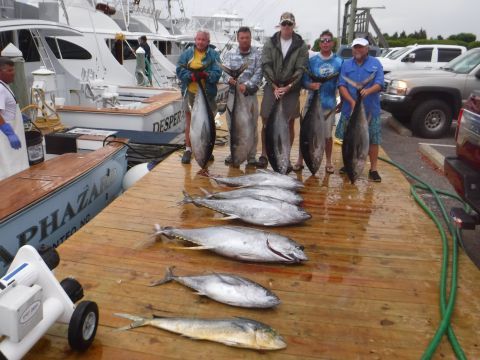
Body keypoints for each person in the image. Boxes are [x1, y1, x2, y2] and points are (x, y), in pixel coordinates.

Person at [258, 12, 308, 170]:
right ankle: (264, 154)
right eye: (284, 24)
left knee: (290, 122)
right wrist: (274, 86)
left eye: (289, 24)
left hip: (291, 89)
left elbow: (301, 68)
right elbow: (265, 64)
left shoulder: (300, 45)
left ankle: (285, 155)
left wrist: (288, 87)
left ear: (294, 26)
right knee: (266, 120)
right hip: (272, 86)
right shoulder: (270, 42)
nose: (286, 27)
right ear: (280, 25)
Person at [335, 37, 384, 182]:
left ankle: (373, 169)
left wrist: (367, 91)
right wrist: (351, 101)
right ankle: (349, 163)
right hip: (349, 109)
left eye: (361, 47)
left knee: (373, 140)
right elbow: (342, 85)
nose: (357, 50)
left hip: (371, 109)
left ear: (367, 49)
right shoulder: (346, 64)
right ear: (352, 49)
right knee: (348, 138)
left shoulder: (376, 63)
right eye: (355, 47)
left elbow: (380, 83)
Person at [294, 30, 343, 173]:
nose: (325, 43)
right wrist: (311, 85)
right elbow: (304, 81)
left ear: (333, 43)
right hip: (311, 103)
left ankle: (328, 161)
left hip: (328, 104)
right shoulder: (312, 61)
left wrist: (343, 100)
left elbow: (341, 83)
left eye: (328, 40)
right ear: (319, 43)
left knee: (328, 135)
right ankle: (300, 160)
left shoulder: (339, 62)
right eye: (323, 40)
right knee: (305, 133)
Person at [176, 30, 222, 164]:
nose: (200, 42)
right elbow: (179, 69)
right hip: (190, 92)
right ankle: (188, 149)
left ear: (208, 42)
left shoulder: (214, 55)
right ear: (195, 40)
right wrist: (190, 76)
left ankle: (207, 150)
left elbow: (217, 72)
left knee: (209, 123)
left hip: (207, 94)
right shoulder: (187, 54)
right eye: (198, 39)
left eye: (203, 40)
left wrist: (206, 75)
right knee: (190, 123)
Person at [222, 26, 263, 167]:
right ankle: (234, 152)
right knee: (232, 126)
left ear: (251, 38)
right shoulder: (230, 53)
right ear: (237, 39)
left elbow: (259, 74)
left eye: (247, 37)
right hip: (233, 96)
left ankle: (251, 156)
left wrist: (246, 86)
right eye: (242, 38)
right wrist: (229, 79)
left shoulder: (258, 55)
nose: (244, 40)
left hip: (249, 96)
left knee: (252, 126)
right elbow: (224, 72)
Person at [0, 57, 29, 180]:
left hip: (15, 132)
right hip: (5, 137)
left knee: (17, 166)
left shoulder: (5, 85)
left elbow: (6, 108)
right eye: (10, 70)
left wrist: (20, 116)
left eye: (14, 70)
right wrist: (9, 132)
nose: (14, 73)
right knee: (8, 168)